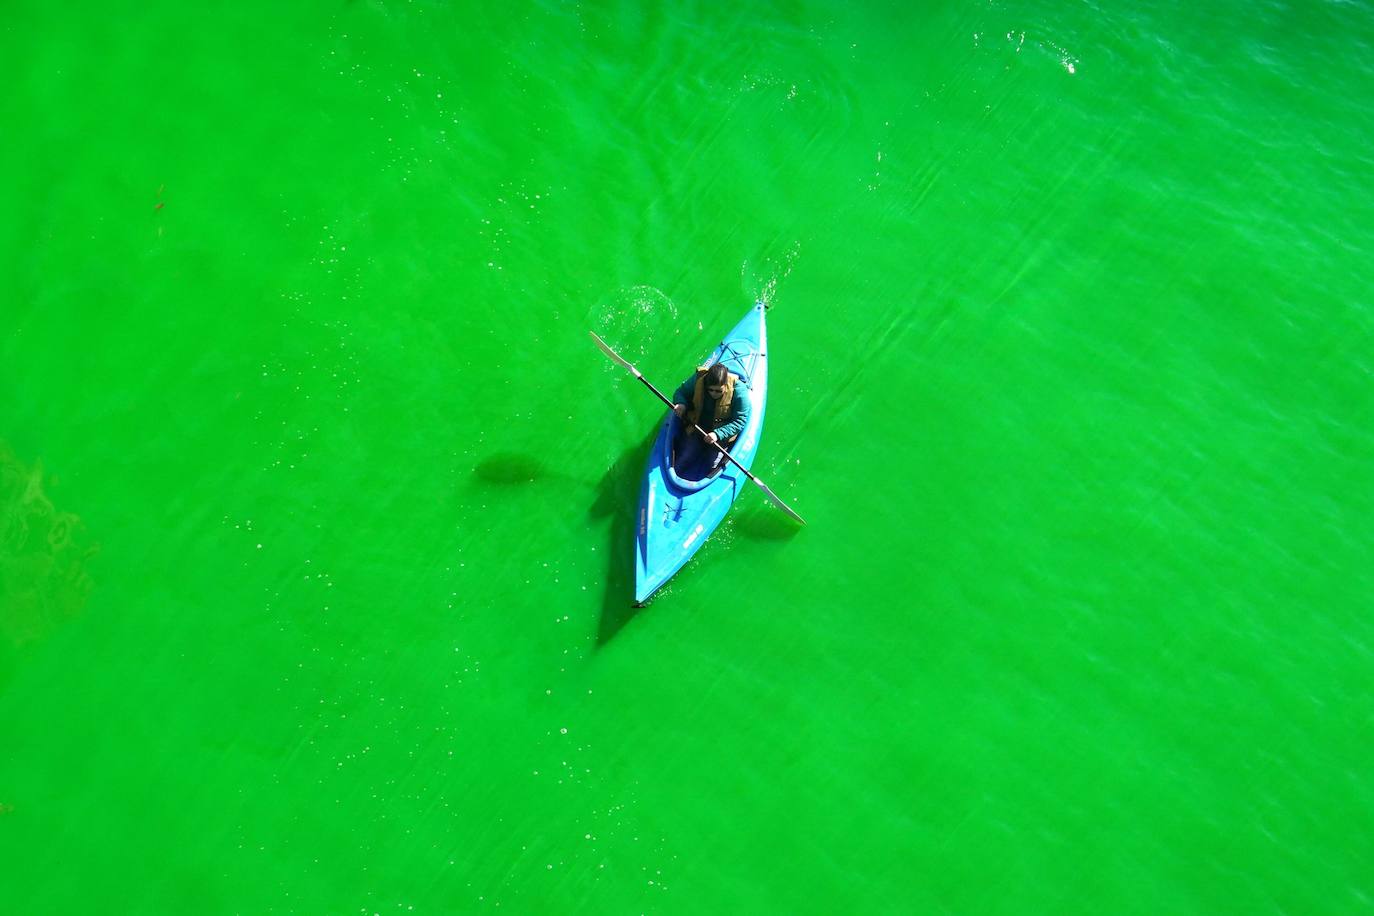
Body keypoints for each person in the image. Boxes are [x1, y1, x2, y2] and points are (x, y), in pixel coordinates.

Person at [670, 361, 751, 479]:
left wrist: (718, 434)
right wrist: (681, 403)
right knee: (684, 458)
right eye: (710, 390)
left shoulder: (739, 391)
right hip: (697, 427)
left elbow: (740, 420)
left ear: (725, 384)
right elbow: (681, 392)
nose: (714, 393)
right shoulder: (699, 379)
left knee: (710, 464)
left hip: (720, 437)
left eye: (718, 391)